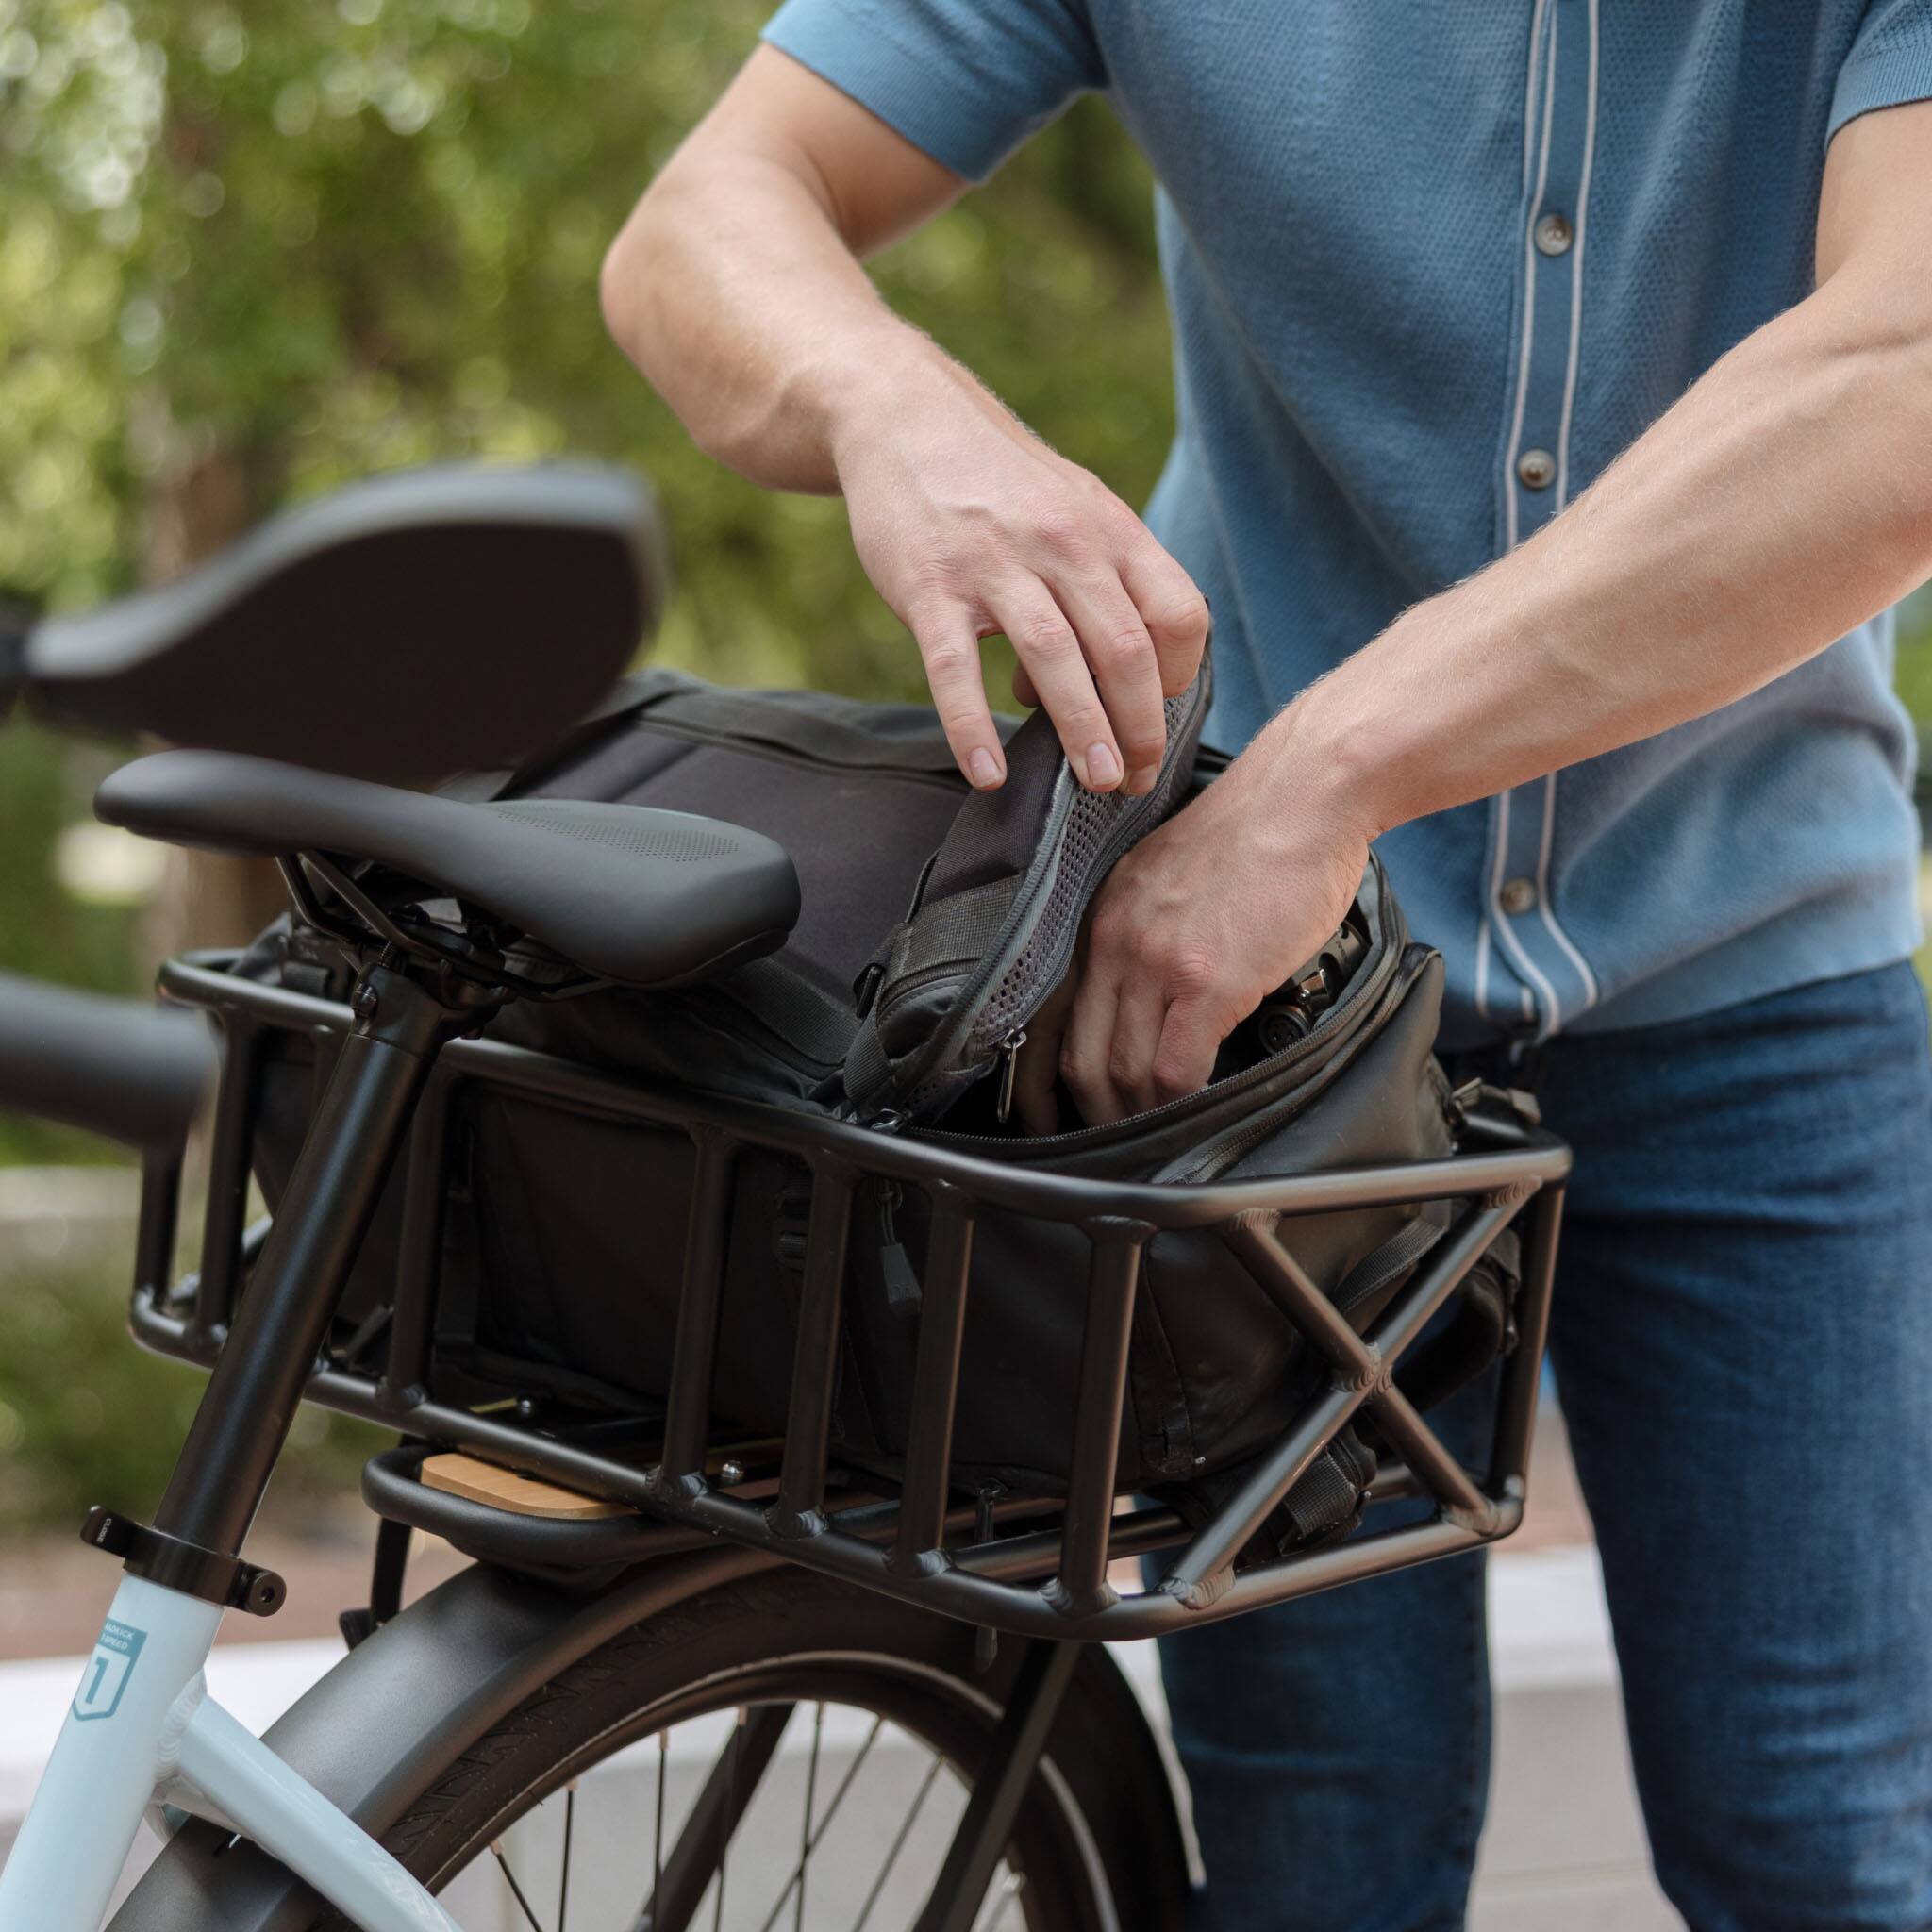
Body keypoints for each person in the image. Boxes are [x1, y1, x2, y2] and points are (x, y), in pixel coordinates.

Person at [601, 7, 1932, 1925]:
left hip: (1752, 992)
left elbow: (1903, 387)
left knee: (1822, 1845)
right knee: (1317, 1847)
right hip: (1250, 1056)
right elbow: (703, 221)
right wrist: (892, 407)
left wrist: (1330, 767)